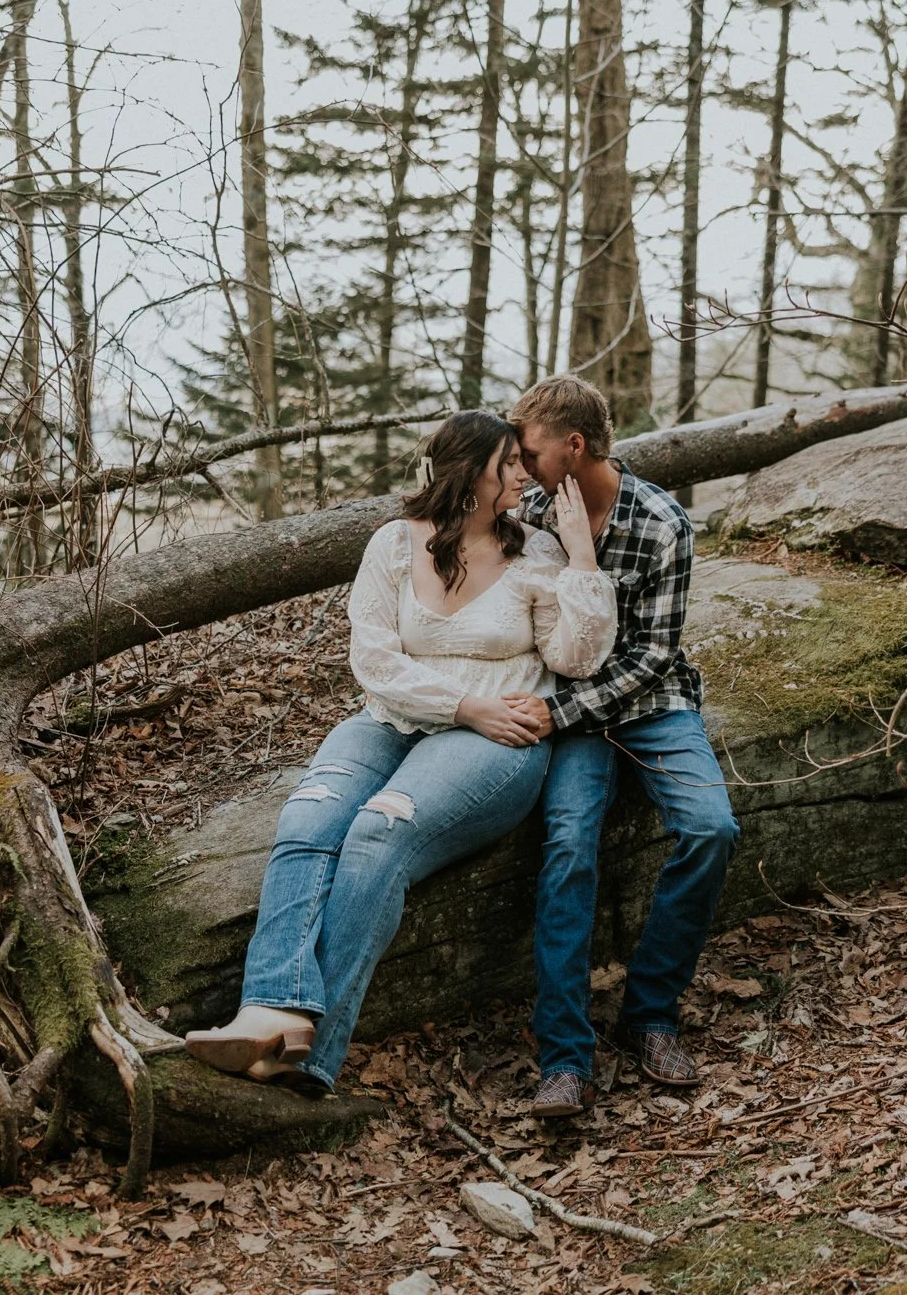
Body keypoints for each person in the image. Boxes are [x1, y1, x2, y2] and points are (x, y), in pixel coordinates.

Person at [184, 411, 618, 1094]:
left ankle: (309, 1058)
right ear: (469, 472)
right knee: (308, 816)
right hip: (392, 719)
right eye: (508, 463)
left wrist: (582, 560)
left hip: (497, 737)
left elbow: (577, 657)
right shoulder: (394, 543)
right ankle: (270, 1010)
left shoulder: (536, 550)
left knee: (378, 832)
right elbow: (375, 662)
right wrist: (461, 702)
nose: (522, 476)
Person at [506, 374, 740, 1119]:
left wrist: (557, 713)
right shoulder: (530, 513)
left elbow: (654, 658)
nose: (520, 465)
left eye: (530, 452)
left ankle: (650, 1014)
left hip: (648, 707)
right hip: (570, 714)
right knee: (569, 843)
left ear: (574, 446)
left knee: (712, 828)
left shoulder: (663, 522)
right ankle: (565, 1059)